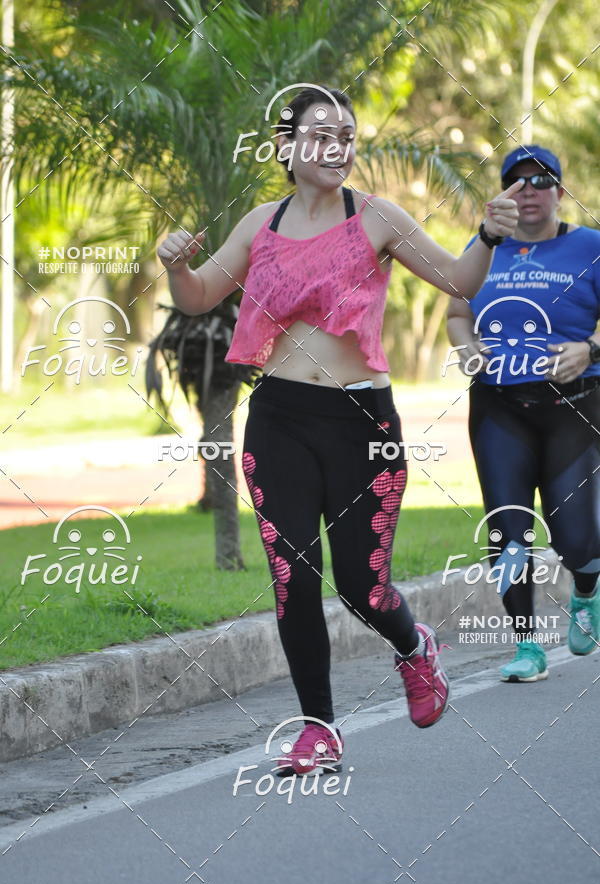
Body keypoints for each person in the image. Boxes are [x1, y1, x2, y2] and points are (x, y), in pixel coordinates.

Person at [158, 85, 520, 773]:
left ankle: (414, 647)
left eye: (347, 136)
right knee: (293, 577)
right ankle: (318, 728)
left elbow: (458, 281)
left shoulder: (376, 217)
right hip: (278, 420)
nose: (337, 147)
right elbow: (198, 295)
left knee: (363, 585)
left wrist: (489, 234)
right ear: (286, 145)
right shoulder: (260, 224)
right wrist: (176, 264)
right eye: (321, 134)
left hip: (361, 424)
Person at [447, 145, 600, 682]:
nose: (529, 191)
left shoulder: (591, 246)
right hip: (498, 403)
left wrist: (590, 348)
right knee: (507, 528)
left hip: (573, 402)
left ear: (560, 191)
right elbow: (457, 311)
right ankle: (526, 645)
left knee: (576, 538)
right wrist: (466, 347)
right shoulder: (484, 246)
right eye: (518, 182)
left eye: (541, 181)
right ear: (504, 194)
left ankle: (586, 590)